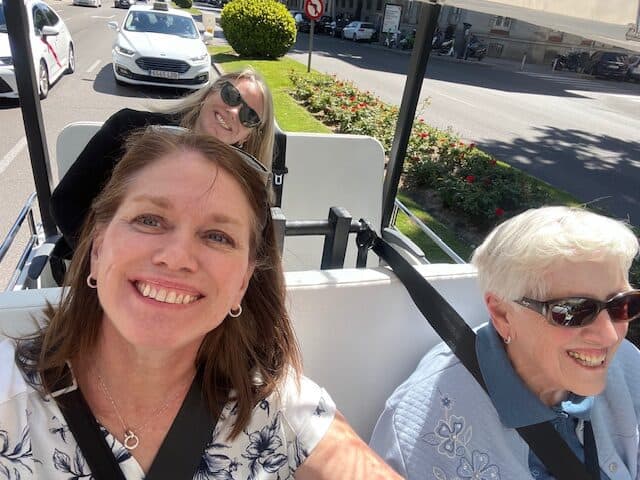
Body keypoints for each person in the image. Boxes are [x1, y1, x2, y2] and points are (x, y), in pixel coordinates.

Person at [2, 128, 402, 479]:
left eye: (217, 237)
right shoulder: (9, 396)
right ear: (98, 247)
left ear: (242, 282)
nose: (176, 257)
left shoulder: (282, 409)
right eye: (150, 220)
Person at [370, 206, 640, 479]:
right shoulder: (419, 429)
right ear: (502, 314)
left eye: (623, 304)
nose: (609, 335)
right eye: (572, 311)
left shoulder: (629, 366)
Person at [51, 68, 275, 254]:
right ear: (210, 93)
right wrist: (105, 261)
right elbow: (67, 202)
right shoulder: (129, 128)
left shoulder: (246, 185)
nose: (234, 111)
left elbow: (251, 252)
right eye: (231, 96)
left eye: (250, 116)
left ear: (248, 135)